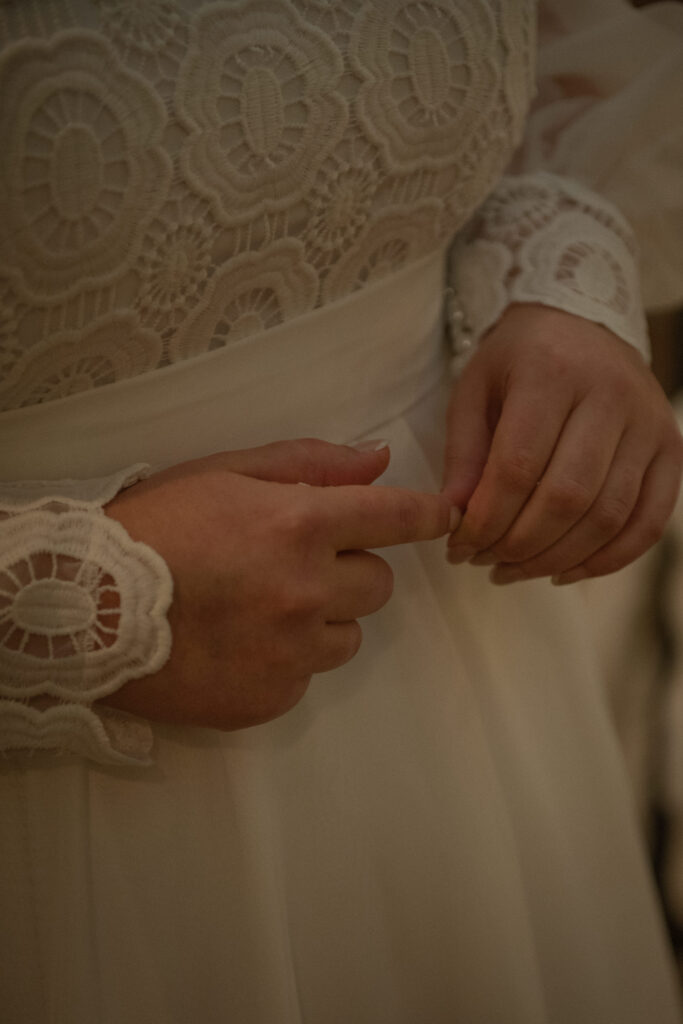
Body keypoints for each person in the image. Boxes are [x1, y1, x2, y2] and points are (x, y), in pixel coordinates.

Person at [1, 1, 682, 1020]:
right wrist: (80, 598)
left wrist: (554, 277)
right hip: (69, 810)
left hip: (464, 685)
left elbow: (549, 57)